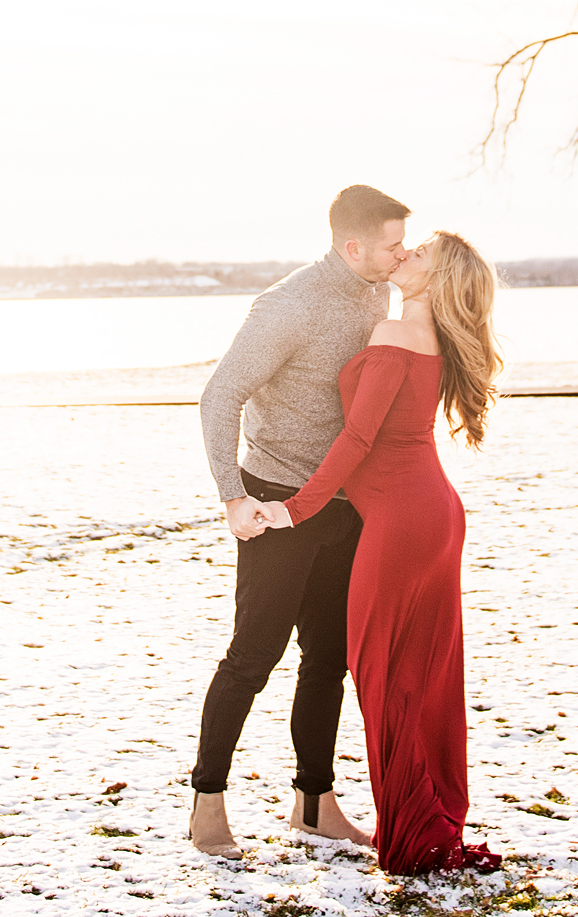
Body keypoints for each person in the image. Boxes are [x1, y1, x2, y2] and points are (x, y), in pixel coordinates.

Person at [258, 231, 505, 875]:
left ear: (436, 277)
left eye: (417, 253)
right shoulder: (428, 336)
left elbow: (359, 437)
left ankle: (416, 828)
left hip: (403, 521)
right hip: (432, 515)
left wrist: (294, 508)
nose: (404, 255)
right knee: (423, 677)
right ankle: (426, 816)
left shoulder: (395, 335)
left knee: (383, 672)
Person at [187, 185, 411, 860]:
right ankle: (207, 805)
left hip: (343, 505)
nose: (402, 254)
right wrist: (232, 496)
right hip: (276, 503)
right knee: (253, 658)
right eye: (392, 244)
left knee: (328, 660)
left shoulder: (379, 291)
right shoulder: (287, 306)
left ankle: (314, 804)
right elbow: (219, 395)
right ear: (353, 246)